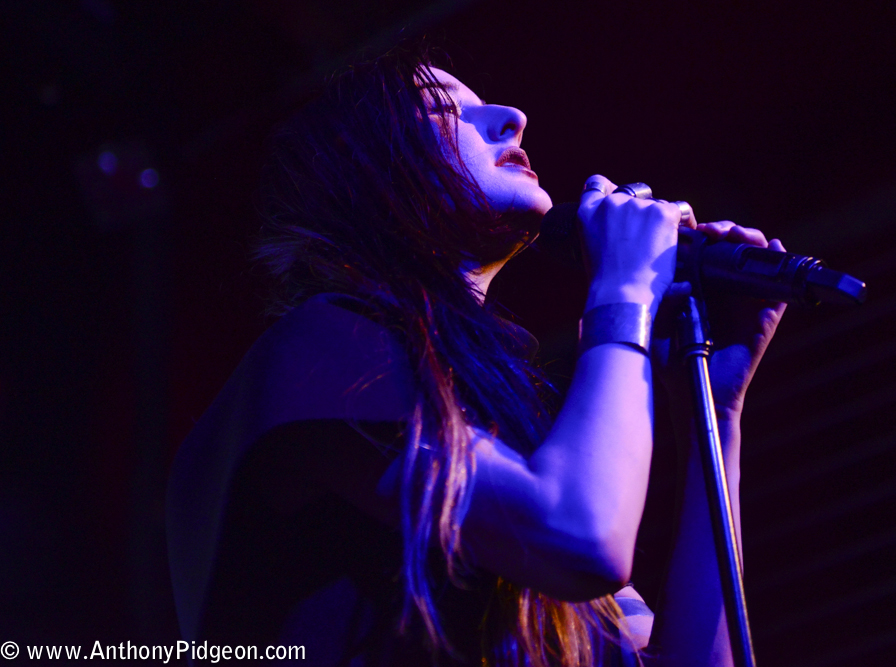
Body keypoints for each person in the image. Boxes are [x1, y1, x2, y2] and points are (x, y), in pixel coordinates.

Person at [166, 42, 786, 667]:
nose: (512, 116)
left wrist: (716, 412)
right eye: (441, 108)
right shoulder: (317, 342)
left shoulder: (506, 435)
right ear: (367, 174)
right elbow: (583, 537)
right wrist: (624, 290)